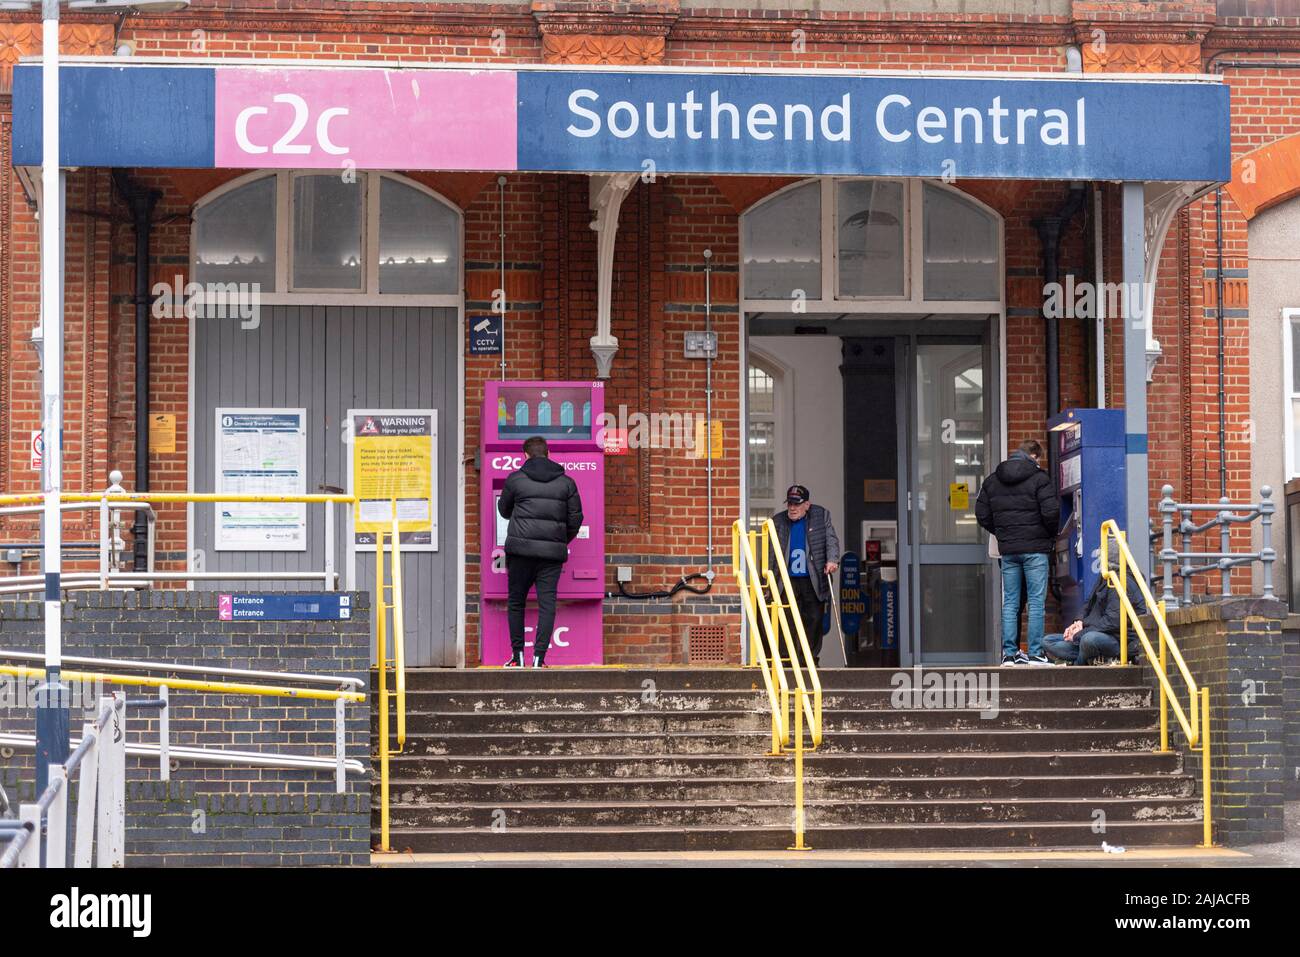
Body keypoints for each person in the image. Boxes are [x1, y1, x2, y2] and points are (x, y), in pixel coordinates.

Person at [497, 435, 583, 668]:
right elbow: (576, 519)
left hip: (520, 552)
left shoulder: (515, 479)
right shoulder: (567, 482)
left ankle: (518, 657)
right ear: (548, 454)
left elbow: (503, 511)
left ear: (525, 455)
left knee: (516, 602)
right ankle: (539, 659)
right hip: (550, 556)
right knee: (547, 603)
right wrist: (558, 541)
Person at [975, 439, 1059, 666]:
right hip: (1035, 550)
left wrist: (1003, 532)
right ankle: (1035, 654)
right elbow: (1052, 512)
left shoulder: (992, 481)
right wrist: (1048, 535)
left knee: (1010, 602)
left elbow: (981, 513)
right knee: (1035, 601)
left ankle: (1010, 654)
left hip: (1009, 550)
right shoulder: (1040, 479)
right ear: (1033, 456)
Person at [1042, 538, 1147, 665]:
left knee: (1088, 640)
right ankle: (1087, 656)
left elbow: (1112, 621)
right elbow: (1088, 602)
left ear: (1109, 559)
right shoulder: (1106, 576)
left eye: (1101, 556)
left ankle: (1078, 666)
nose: (1099, 560)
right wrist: (1079, 622)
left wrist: (1079, 634)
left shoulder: (1120, 581)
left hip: (1117, 639)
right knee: (1048, 641)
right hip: (1097, 631)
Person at [769, 485, 840, 668]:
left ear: (807, 504)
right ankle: (787, 659)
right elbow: (770, 553)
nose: (792, 508)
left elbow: (831, 539)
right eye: (790, 503)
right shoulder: (777, 521)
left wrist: (832, 560)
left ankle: (809, 659)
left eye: (797, 504)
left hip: (813, 577)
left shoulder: (820, 515)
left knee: (814, 618)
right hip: (787, 579)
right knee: (786, 617)